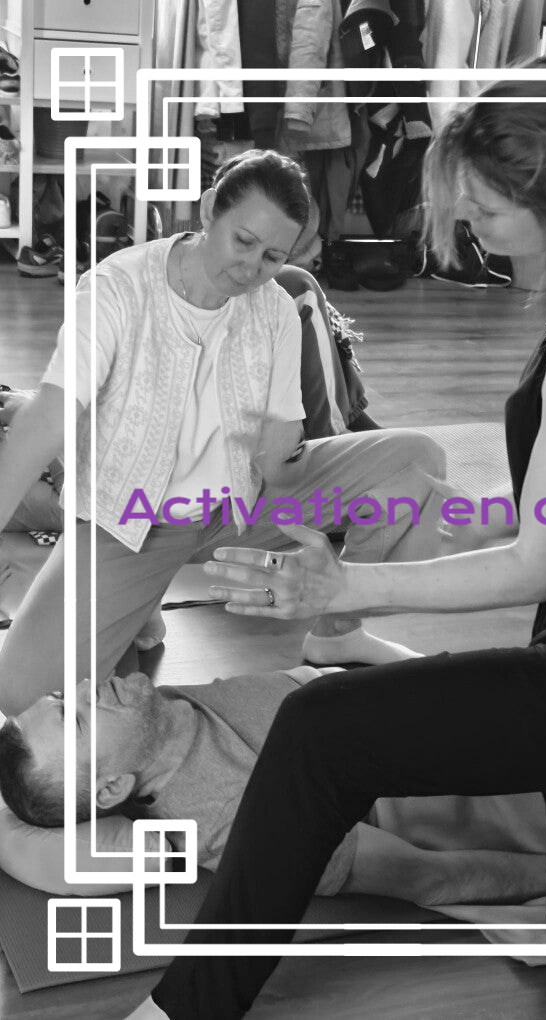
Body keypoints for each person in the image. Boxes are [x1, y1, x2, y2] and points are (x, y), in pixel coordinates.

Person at [122, 76, 546, 1020]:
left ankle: (185, 1008)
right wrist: (457, 513)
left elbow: (538, 563)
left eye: (489, 212)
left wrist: (346, 586)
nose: (472, 230)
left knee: (320, 731)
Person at [0, 149, 448, 719]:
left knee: (415, 461)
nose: (252, 268)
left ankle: (338, 634)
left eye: (272, 256)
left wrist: (290, 462)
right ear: (211, 208)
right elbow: (46, 420)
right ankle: (136, 603)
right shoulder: (113, 289)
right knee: (26, 705)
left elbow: (280, 457)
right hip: (129, 524)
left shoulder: (275, 309)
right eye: (243, 241)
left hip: (240, 505)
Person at [0, 670, 546, 909]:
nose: (85, 685)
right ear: (113, 787)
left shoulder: (149, 717)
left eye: (63, 695)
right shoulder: (231, 819)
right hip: (528, 786)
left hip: (494, 699)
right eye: (78, 717)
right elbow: (430, 880)